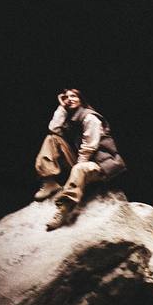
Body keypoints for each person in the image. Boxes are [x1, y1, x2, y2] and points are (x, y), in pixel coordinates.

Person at [34, 88, 126, 229]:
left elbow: (90, 147)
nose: (69, 99)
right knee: (51, 139)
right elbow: (54, 128)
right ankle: (49, 182)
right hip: (82, 162)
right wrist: (61, 107)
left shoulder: (90, 117)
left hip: (101, 165)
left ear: (81, 99)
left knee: (79, 167)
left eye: (74, 96)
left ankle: (63, 210)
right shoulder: (71, 117)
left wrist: (76, 171)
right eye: (66, 97)